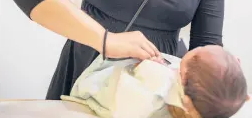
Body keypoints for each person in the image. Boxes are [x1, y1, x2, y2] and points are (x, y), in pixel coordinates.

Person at [3, 0, 225, 116]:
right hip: (89, 69)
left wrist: (219, 73)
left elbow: (207, 47)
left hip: (158, 90)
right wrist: (105, 39)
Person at [62, 45, 248, 118]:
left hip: (116, 96)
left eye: (199, 50)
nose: (200, 46)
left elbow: (134, 82)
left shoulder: (161, 81)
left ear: (182, 78)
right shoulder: (205, 103)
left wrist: (146, 66)